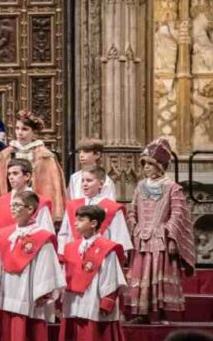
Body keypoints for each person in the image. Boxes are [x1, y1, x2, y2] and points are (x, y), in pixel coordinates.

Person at [125, 138, 197, 323]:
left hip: (161, 239)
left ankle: (163, 313)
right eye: (144, 164)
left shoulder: (172, 188)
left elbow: (178, 213)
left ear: (160, 166)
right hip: (142, 238)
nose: (146, 167)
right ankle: (142, 314)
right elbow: (132, 209)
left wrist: (172, 238)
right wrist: (134, 227)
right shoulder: (140, 186)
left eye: (150, 164)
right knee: (142, 275)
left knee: (159, 274)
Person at [0, 191, 65, 341]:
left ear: (31, 209)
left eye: (17, 205)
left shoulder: (42, 237)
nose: (12, 209)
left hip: (29, 296)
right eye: (11, 205)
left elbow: (46, 267)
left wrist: (43, 293)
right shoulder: (4, 234)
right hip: (6, 294)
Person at [59, 204, 127, 339]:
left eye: (81, 219)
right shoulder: (71, 247)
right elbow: (65, 274)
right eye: (76, 219)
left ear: (94, 223)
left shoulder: (107, 248)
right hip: (73, 301)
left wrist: (106, 302)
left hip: (93, 300)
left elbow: (110, 278)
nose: (75, 223)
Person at [0, 110, 66, 221]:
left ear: (34, 132)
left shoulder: (45, 157)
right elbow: (0, 184)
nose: (20, 133)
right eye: (17, 128)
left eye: (25, 129)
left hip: (36, 208)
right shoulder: (5, 155)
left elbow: (53, 188)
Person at [58, 166, 132, 252]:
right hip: (75, 256)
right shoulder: (73, 206)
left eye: (89, 180)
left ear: (101, 184)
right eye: (82, 181)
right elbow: (64, 234)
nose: (84, 184)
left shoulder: (112, 208)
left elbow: (120, 238)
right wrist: (62, 254)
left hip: (102, 256)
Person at [0, 159, 55, 233]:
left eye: (15, 173)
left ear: (27, 176)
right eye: (9, 174)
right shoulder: (0, 202)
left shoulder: (40, 202)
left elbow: (46, 232)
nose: (11, 177)